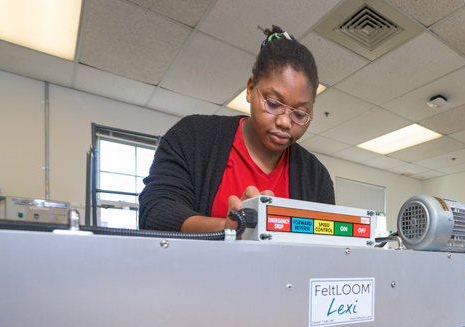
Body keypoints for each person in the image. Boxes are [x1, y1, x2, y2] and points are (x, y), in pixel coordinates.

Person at [138, 25, 335, 232]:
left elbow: (325, 242)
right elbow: (155, 213)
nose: (285, 122)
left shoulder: (316, 177)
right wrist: (229, 228)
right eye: (274, 104)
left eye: (300, 114)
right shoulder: (192, 137)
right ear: (250, 89)